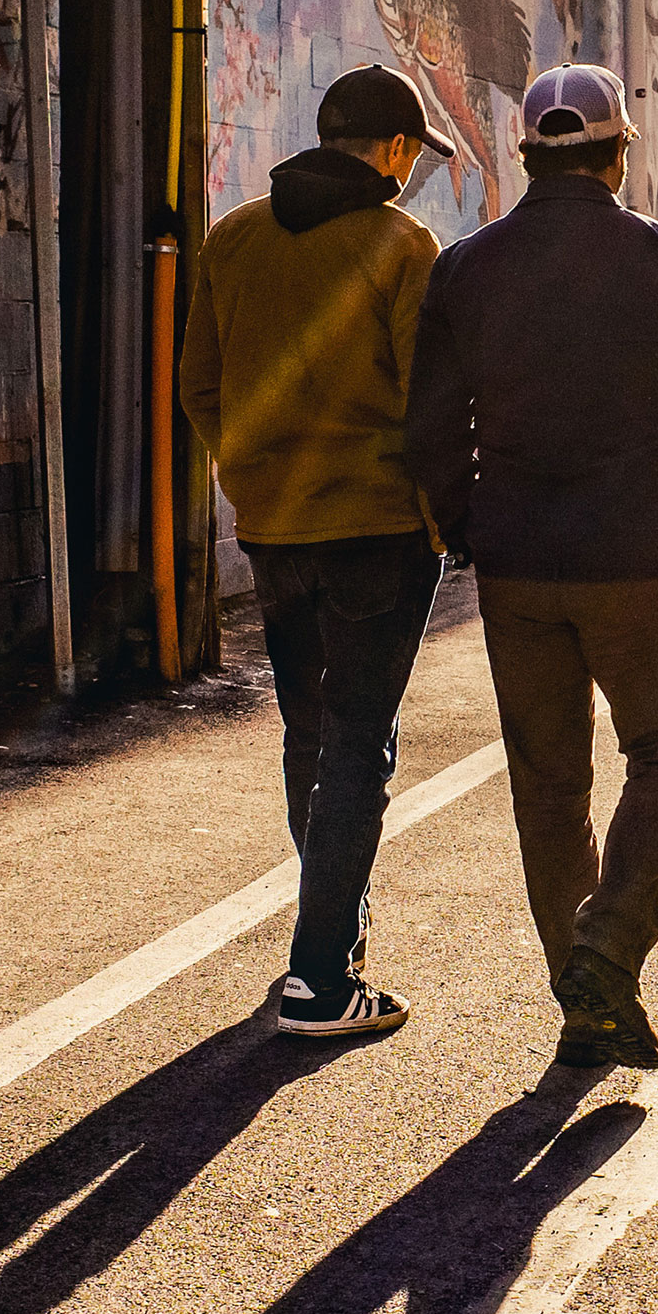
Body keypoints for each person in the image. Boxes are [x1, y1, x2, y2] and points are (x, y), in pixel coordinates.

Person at [404, 63, 658, 1073]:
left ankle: (584, 992)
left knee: (547, 782)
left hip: (519, 565)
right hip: (647, 557)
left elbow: (431, 427)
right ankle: (607, 953)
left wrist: (470, 527)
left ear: (523, 155)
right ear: (617, 153)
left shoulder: (468, 267)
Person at [181, 63, 451, 1037]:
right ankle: (321, 977)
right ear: (390, 150)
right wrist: (442, 519)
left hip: (273, 533)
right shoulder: (403, 245)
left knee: (311, 736)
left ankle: (332, 921)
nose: (414, 169)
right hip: (379, 534)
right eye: (414, 152)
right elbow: (433, 404)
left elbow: (199, 386)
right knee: (359, 747)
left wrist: (247, 475)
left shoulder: (234, 240)